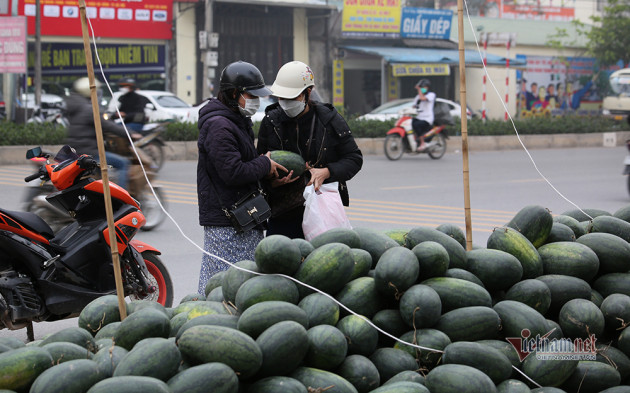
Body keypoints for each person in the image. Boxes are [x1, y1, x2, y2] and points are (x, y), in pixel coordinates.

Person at [196, 60, 287, 294]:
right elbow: (233, 171)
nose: (256, 101)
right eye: (251, 95)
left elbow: (245, 164)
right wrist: (264, 163)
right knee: (221, 287)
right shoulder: (219, 126)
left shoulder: (237, 120)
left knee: (243, 287)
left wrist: (266, 173)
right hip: (226, 222)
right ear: (234, 93)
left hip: (243, 217)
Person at [257, 60, 363, 239]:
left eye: (292, 97)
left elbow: (354, 158)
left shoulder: (329, 119)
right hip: (283, 212)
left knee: (322, 263)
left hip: (322, 214)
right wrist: (271, 181)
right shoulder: (271, 121)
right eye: (282, 98)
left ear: (308, 92)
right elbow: (259, 162)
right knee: (280, 263)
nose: (286, 103)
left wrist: (326, 172)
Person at [64, 77, 139, 190]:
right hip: (89, 152)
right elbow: (108, 125)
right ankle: (121, 198)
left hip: (75, 150)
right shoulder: (88, 109)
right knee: (123, 163)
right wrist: (130, 134)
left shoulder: (74, 106)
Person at [412, 79, 436, 152]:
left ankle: (423, 143)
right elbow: (413, 106)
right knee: (410, 123)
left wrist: (419, 89)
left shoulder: (431, 95)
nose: (422, 89)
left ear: (427, 87)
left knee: (417, 125)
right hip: (419, 117)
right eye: (421, 87)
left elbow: (422, 98)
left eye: (423, 87)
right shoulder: (417, 97)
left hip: (427, 119)